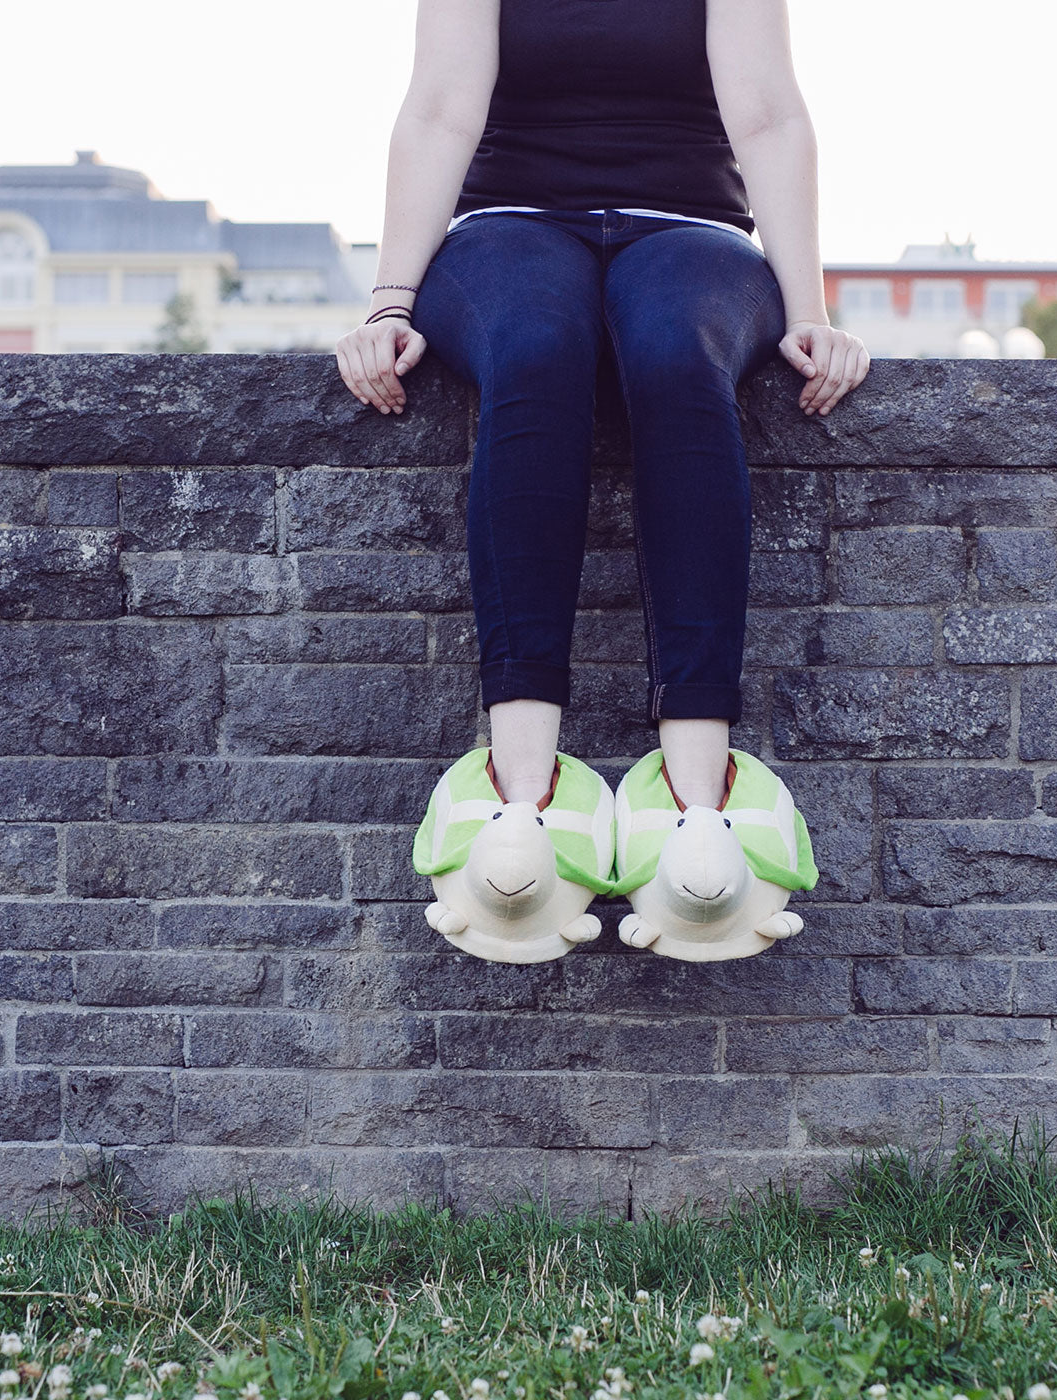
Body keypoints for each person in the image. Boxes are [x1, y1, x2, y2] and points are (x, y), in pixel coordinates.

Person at [336, 0, 869, 964]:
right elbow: (443, 109)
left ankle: (697, 794)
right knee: (537, 350)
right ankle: (522, 787)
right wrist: (389, 301)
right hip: (508, 233)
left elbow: (767, 113)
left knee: (675, 359)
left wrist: (809, 311)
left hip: (693, 235)